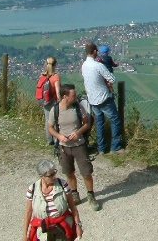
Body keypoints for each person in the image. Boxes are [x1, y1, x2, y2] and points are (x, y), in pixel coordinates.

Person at [48, 83, 101, 211]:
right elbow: (50, 127)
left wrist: (78, 133)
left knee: (86, 172)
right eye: (73, 95)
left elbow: (87, 123)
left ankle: (91, 195)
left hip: (79, 145)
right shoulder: (55, 110)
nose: (76, 97)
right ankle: (74, 195)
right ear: (65, 96)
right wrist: (59, 136)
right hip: (63, 147)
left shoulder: (78, 107)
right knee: (69, 172)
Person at [22, 159, 83, 241]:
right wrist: (24, 234)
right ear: (41, 176)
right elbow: (28, 212)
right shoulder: (32, 189)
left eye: (54, 173)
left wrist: (78, 225)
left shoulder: (63, 184)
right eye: (51, 175)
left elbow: (72, 207)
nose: (54, 177)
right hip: (43, 229)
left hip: (62, 227)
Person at [81, 42, 123, 154]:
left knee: (99, 122)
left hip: (92, 98)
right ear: (95, 51)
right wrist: (107, 84)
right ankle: (115, 147)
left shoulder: (84, 65)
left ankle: (101, 148)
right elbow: (112, 79)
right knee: (115, 119)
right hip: (103, 98)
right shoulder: (98, 66)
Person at [42, 57, 61, 146]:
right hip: (53, 101)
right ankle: (56, 139)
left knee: (47, 120)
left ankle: (49, 140)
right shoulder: (55, 76)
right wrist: (60, 101)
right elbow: (57, 91)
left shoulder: (42, 75)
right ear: (55, 64)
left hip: (45, 101)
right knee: (56, 120)